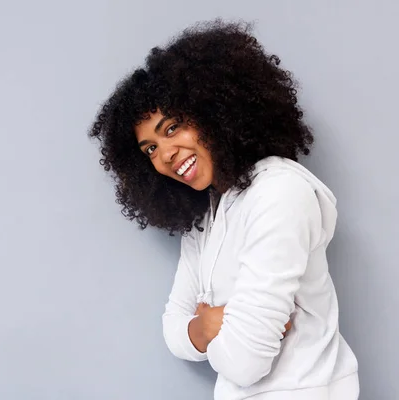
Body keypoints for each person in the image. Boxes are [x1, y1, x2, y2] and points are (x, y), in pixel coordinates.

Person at [88, 20, 359, 399]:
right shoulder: (205, 218)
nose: (165, 154)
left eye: (173, 128)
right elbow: (173, 330)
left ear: (213, 110)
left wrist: (208, 326)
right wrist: (206, 328)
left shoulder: (279, 192)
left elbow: (244, 364)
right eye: (149, 148)